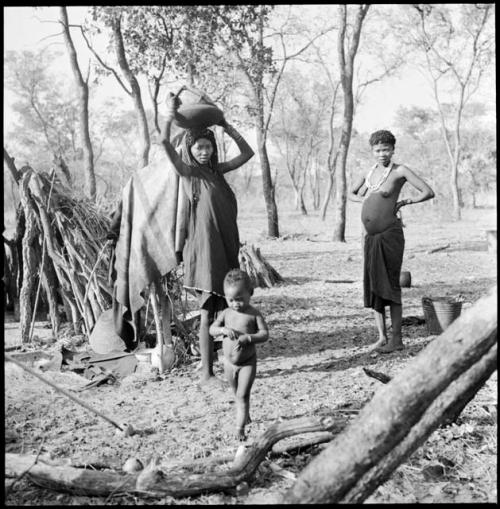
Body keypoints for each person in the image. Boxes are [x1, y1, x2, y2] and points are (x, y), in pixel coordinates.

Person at [162, 94, 255, 387]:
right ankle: (206, 372)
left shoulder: (218, 171)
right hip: (203, 252)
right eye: (198, 147)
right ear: (191, 150)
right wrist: (168, 116)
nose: (203, 151)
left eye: (207, 146)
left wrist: (225, 124)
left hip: (226, 246)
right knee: (206, 313)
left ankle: (228, 364)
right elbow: (165, 146)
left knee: (225, 312)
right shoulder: (190, 173)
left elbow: (248, 152)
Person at [349, 130, 434, 353]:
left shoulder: (400, 171)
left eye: (386, 149)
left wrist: (406, 200)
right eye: (378, 150)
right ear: (372, 151)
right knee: (374, 286)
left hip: (390, 235)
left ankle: (397, 339)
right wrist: (364, 199)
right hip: (370, 237)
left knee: (391, 286)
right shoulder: (369, 173)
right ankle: (381, 337)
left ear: (393, 149)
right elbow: (350, 193)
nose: (382, 154)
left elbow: (428, 191)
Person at [209, 269, 269, 440]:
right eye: (231, 300)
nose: (235, 304)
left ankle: (240, 429)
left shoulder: (253, 314)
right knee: (237, 394)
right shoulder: (226, 313)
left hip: (247, 363)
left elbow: (264, 334)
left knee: (242, 395)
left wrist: (249, 338)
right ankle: (245, 412)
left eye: (239, 299)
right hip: (228, 363)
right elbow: (211, 330)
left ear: (250, 293)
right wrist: (223, 330)